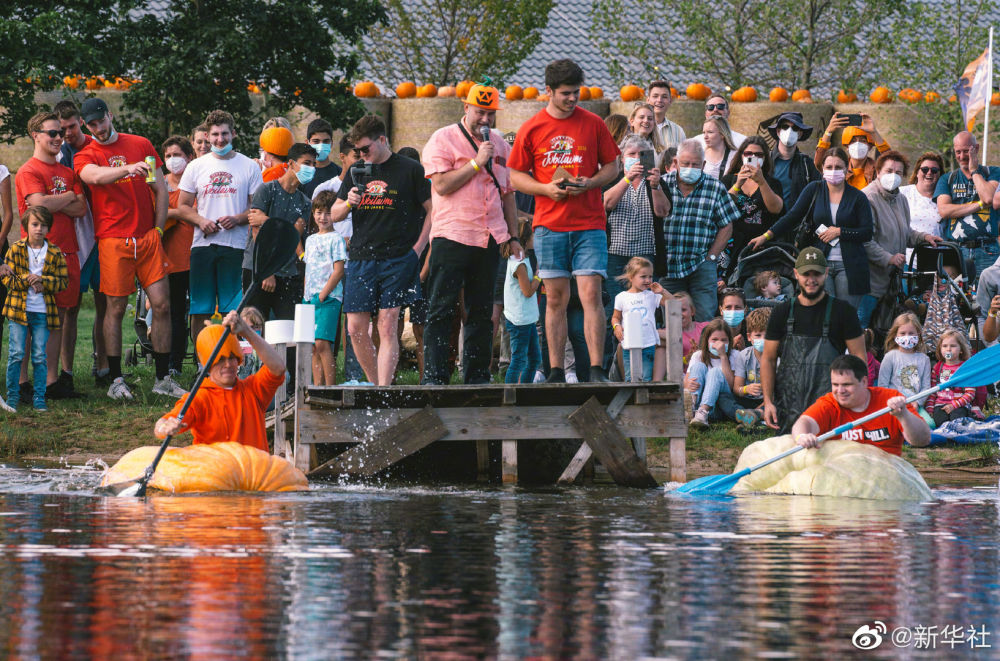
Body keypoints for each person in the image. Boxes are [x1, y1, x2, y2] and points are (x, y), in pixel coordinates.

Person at [508, 59, 620, 383]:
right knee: (555, 298)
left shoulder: (594, 123)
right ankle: (556, 370)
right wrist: (545, 188)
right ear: (549, 91)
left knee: (590, 294)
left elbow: (612, 166)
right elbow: (515, 176)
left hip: (589, 223)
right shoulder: (532, 127)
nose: (573, 99)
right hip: (549, 224)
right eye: (566, 94)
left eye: (577, 93)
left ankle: (596, 370)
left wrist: (591, 182)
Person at [73, 97, 180, 400]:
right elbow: (93, 176)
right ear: (85, 125)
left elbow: (160, 189)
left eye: (101, 121)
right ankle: (116, 379)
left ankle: (162, 378)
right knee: (115, 308)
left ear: (109, 115)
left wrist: (158, 229)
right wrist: (124, 171)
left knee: (162, 304)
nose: (99, 128)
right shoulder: (87, 154)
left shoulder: (141, 144)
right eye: (92, 125)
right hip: (112, 240)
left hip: (147, 238)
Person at [420, 82, 520, 385]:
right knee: (441, 306)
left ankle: (477, 374)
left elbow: (508, 194)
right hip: (453, 234)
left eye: (490, 114)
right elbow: (442, 185)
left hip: (489, 236)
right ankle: (435, 375)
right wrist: (477, 162)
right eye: (480, 113)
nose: (485, 120)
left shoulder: (502, 147)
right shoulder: (443, 139)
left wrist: (513, 236)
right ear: (466, 108)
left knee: (481, 310)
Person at [331, 115, 432, 386]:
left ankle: (383, 389)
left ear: (383, 140)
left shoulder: (410, 169)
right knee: (355, 328)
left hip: (398, 256)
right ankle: (376, 385)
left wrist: (419, 248)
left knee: (388, 324)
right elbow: (334, 213)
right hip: (362, 256)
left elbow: (433, 209)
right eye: (358, 151)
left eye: (366, 149)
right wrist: (349, 202)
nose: (362, 155)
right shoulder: (356, 171)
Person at [14, 111, 87, 401]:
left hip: (66, 253)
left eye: (60, 133)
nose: (59, 138)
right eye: (52, 133)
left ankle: (52, 381)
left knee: (57, 318)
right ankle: (21, 384)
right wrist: (67, 196)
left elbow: (81, 208)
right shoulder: (28, 171)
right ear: (36, 136)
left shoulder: (68, 172)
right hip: (36, 256)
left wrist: (59, 199)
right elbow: (39, 207)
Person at [176, 110, 263, 346]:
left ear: (233, 133)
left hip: (235, 246)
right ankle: (202, 362)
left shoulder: (249, 166)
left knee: (232, 309)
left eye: (225, 133)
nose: (220, 139)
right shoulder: (196, 166)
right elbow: (182, 206)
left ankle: (232, 356)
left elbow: (257, 210)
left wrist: (237, 218)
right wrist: (201, 220)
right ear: (207, 135)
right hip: (203, 245)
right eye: (215, 134)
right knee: (200, 308)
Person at [750, 147, 873, 313]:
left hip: (849, 265)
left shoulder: (858, 197)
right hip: (819, 261)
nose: (833, 171)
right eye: (829, 167)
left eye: (838, 167)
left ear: (846, 168)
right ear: (822, 168)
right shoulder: (814, 189)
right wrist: (766, 236)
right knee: (822, 313)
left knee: (845, 316)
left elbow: (867, 232)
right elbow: (792, 216)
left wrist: (840, 232)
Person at [761, 247, 866, 432]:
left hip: (830, 405)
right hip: (787, 407)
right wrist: (768, 402)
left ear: (826, 273)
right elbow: (768, 359)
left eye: (816, 273)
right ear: (796, 274)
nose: (811, 279)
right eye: (805, 274)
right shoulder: (781, 312)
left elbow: (858, 357)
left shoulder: (843, 312)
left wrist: (855, 398)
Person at [153, 311, 286, 452]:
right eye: (220, 360)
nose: (228, 364)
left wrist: (246, 331)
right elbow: (162, 424)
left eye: (232, 357)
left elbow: (278, 368)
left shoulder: (253, 390)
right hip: (216, 473)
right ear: (208, 364)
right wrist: (165, 427)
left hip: (255, 472)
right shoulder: (199, 398)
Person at [54, 100, 104, 392]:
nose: (66, 133)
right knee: (69, 307)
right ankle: (66, 372)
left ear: (81, 123)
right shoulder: (57, 154)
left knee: (105, 303)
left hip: (103, 231)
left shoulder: (96, 149)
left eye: (71, 126)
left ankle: (101, 365)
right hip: (74, 234)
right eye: (61, 129)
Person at [659, 139, 738, 322]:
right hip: (668, 266)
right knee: (671, 320)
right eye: (685, 163)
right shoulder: (663, 185)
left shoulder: (715, 188)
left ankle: (703, 351)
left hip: (701, 265)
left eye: (695, 164)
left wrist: (711, 257)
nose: (690, 167)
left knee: (704, 318)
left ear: (703, 164)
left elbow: (727, 225)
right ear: (676, 162)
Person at [792, 354, 930, 455]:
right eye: (835, 384)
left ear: (864, 382)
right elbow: (804, 422)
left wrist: (903, 415)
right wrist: (802, 436)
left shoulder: (891, 399)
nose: (840, 391)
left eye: (847, 384)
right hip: (842, 477)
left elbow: (922, 440)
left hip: (886, 476)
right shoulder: (829, 403)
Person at [3, 207, 68, 411]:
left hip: (43, 311)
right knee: (16, 353)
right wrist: (28, 279)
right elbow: (7, 278)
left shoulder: (55, 252)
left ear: (49, 227)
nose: (39, 229)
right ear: (26, 226)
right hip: (18, 311)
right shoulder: (15, 249)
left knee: (40, 355)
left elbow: (63, 281)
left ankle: (39, 397)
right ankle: (12, 395)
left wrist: (43, 280)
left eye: (43, 225)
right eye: (35, 224)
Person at [862, 151, 939, 326]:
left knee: (886, 330)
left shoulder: (901, 199)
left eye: (898, 173)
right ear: (878, 172)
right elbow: (865, 240)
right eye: (889, 171)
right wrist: (888, 258)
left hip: (891, 282)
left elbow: (905, 232)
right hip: (870, 282)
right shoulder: (867, 197)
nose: (893, 176)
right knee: (863, 329)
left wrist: (925, 237)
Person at [246, 143, 316, 321]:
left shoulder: (305, 202)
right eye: (307, 163)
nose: (311, 168)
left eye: (314, 164)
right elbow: (257, 232)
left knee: (287, 330)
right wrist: (267, 272)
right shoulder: (267, 190)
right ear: (291, 164)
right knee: (253, 325)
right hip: (259, 269)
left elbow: (292, 236)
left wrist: (267, 221)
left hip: (288, 271)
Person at [603, 135, 669, 305]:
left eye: (641, 155)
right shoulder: (612, 179)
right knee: (614, 304)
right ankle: (615, 332)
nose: (636, 158)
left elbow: (662, 212)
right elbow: (607, 204)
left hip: (646, 253)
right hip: (614, 253)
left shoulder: (655, 181)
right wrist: (628, 179)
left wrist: (656, 187)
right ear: (622, 158)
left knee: (643, 304)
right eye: (631, 154)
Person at [935, 131, 1000, 279]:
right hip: (956, 249)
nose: (962, 156)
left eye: (966, 151)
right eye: (958, 152)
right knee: (956, 298)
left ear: (976, 148)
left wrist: (974, 170)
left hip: (987, 248)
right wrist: (979, 204)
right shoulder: (947, 179)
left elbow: (988, 198)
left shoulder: (993, 172)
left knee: (987, 298)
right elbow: (944, 210)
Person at [161, 135, 199, 375]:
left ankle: (200, 360)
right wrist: (180, 212)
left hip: (195, 256)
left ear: (189, 157)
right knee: (174, 313)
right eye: (168, 156)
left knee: (198, 312)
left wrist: (172, 212)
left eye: (177, 155)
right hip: (170, 258)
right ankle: (174, 364)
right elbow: (156, 213)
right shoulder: (160, 184)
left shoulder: (196, 182)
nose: (172, 160)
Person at [720, 136, 784, 272]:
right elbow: (722, 209)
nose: (753, 157)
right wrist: (737, 185)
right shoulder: (729, 180)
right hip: (731, 245)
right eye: (748, 154)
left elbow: (776, 209)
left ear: (765, 158)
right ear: (741, 156)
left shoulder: (772, 183)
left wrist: (761, 182)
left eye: (759, 154)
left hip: (760, 246)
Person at [302, 192, 347, 386]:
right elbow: (309, 269)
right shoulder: (310, 240)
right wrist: (307, 295)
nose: (323, 217)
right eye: (319, 212)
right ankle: (317, 388)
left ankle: (330, 387)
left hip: (329, 297)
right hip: (309, 298)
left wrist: (322, 294)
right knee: (312, 346)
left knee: (322, 342)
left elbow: (338, 271)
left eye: (328, 213)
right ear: (313, 214)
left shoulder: (336, 239)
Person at [611, 256, 667, 382]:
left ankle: (644, 400)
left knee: (646, 377)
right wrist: (617, 327)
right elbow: (615, 317)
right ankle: (631, 400)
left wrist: (662, 291)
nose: (648, 280)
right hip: (629, 343)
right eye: (643, 277)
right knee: (630, 377)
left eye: (650, 276)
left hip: (648, 342)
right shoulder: (621, 297)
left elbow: (673, 303)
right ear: (631, 277)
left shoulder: (652, 295)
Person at [502, 220, 541, 384]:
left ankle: (524, 391)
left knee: (534, 359)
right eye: (533, 235)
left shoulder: (521, 260)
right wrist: (539, 275)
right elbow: (528, 291)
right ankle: (509, 392)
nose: (536, 239)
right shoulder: (520, 265)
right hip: (519, 320)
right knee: (519, 360)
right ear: (526, 238)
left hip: (527, 319)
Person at [685, 318, 739, 427]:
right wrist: (688, 384)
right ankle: (691, 407)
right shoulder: (698, 355)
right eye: (714, 339)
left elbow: (731, 386)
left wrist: (723, 356)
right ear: (707, 340)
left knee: (715, 372)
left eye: (724, 340)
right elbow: (686, 381)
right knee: (699, 366)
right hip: (699, 401)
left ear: (729, 341)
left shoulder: (734, 355)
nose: (719, 343)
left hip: (718, 407)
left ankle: (702, 413)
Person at [878, 312, 931, 420]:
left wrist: (917, 402)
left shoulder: (924, 359)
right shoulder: (890, 357)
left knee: (929, 424)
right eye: (903, 333)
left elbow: (926, 387)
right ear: (895, 335)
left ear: (918, 335)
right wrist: (892, 402)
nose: (907, 337)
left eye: (911, 333)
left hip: (915, 406)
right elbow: (883, 385)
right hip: (893, 406)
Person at [815, 113, 890, 188]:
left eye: (863, 141)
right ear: (847, 146)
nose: (857, 144)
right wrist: (828, 131)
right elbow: (819, 162)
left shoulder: (876, 170)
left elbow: (891, 162)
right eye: (853, 141)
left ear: (869, 146)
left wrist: (874, 132)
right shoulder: (839, 168)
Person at [764, 112, 820, 213]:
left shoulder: (807, 165)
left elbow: (818, 195)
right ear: (778, 131)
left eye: (795, 128)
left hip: (795, 224)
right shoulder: (765, 161)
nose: (789, 131)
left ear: (800, 134)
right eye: (785, 127)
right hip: (767, 222)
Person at [900, 152, 944, 261]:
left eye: (934, 170)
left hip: (937, 262)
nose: (929, 173)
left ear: (940, 174)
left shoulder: (945, 198)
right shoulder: (902, 193)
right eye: (925, 169)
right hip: (906, 261)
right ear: (917, 172)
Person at [925, 330, 975, 427]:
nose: (948, 349)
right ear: (940, 349)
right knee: (940, 422)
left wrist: (954, 405)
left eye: (953, 346)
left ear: (961, 349)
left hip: (959, 405)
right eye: (944, 346)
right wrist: (930, 409)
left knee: (957, 421)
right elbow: (932, 391)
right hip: (940, 405)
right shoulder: (937, 368)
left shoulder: (965, 368)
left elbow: (970, 393)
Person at [733, 307, 770, 430]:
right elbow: (736, 389)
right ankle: (755, 416)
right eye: (758, 335)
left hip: (769, 401)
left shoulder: (779, 358)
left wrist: (761, 407)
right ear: (749, 337)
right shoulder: (744, 356)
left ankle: (753, 415)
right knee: (724, 397)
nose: (763, 340)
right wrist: (746, 389)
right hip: (747, 401)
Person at [300, 118, 342, 198]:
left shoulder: (340, 174)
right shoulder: (301, 175)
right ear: (307, 143)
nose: (321, 145)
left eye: (326, 141)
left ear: (331, 143)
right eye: (316, 141)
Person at [645, 81, 685, 150]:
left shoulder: (678, 131)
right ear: (648, 100)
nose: (659, 100)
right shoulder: (640, 128)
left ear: (670, 101)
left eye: (664, 97)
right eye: (655, 96)